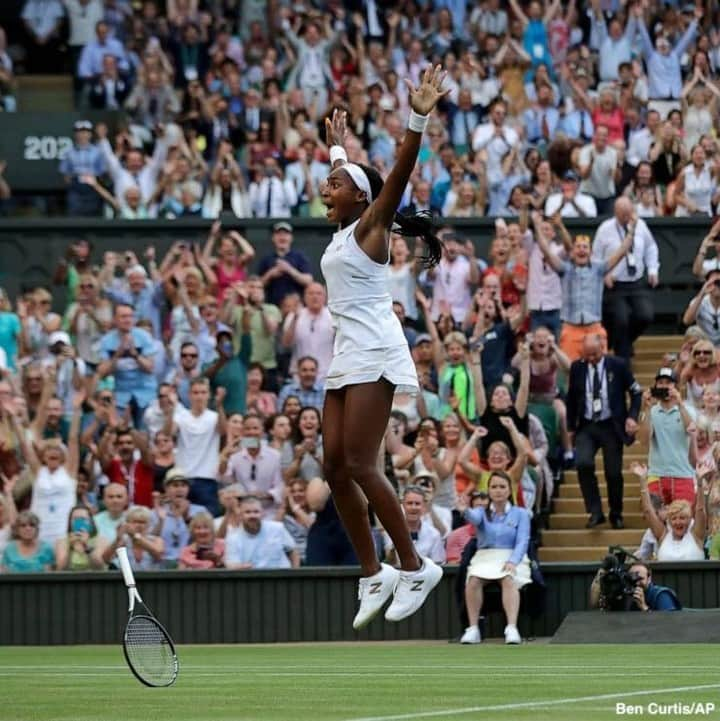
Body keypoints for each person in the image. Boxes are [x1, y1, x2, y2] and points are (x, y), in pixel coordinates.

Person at [318, 69, 447, 630]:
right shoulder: (346, 229)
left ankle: (416, 566)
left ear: (362, 199)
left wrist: (417, 118)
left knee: (359, 463)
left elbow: (393, 175)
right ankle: (374, 574)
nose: (326, 186)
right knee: (332, 466)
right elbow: (358, 180)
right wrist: (339, 147)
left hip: (375, 350)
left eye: (335, 182)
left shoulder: (373, 225)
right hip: (348, 352)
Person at [566, 335, 642, 529]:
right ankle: (595, 511)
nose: (591, 358)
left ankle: (616, 513)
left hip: (611, 424)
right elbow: (571, 399)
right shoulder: (577, 367)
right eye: (587, 355)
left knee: (613, 472)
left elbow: (636, 391)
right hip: (587, 424)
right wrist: (570, 428)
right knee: (583, 463)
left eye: (595, 354)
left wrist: (632, 416)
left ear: (603, 349)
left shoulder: (618, 365)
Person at [459, 470, 531, 645]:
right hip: (485, 556)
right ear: (489, 490)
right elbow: (474, 518)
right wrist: (465, 510)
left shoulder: (521, 513)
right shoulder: (481, 511)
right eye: (494, 487)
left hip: (512, 555)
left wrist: (513, 561)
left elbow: (523, 540)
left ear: (509, 490)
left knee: (508, 579)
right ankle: (473, 628)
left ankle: (512, 628)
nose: (498, 490)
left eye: (502, 486)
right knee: (474, 580)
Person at [591, 198, 660, 361]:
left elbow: (651, 247)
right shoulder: (605, 229)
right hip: (615, 283)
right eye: (623, 214)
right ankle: (623, 360)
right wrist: (604, 275)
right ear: (616, 213)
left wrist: (652, 269)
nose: (627, 217)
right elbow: (596, 256)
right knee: (620, 320)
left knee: (645, 315)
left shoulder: (641, 225)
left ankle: (626, 344)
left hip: (635, 280)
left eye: (629, 213)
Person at [163, 379, 226, 516]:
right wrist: (172, 409)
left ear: (208, 395)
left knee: (207, 521)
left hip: (207, 478)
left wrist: (220, 406)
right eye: (196, 393)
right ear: (190, 395)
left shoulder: (214, 417)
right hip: (183, 478)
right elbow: (168, 432)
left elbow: (223, 431)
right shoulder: (181, 416)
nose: (199, 396)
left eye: (203, 392)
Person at [637, 368, 696, 506]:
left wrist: (680, 404)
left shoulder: (688, 409)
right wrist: (645, 409)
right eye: (660, 382)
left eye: (668, 383)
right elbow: (644, 440)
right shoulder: (651, 411)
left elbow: (691, 430)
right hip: (657, 475)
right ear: (655, 386)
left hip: (683, 474)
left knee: (683, 520)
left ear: (676, 386)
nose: (664, 386)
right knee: (656, 519)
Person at [633, 461, 706, 563]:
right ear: (669, 521)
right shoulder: (663, 535)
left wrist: (700, 483)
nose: (678, 522)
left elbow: (700, 510)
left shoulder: (696, 535)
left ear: (689, 520)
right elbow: (648, 512)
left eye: (682, 518)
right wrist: (643, 482)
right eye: (674, 518)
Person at [224, 495, 300, 570]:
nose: (252, 515)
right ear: (240, 515)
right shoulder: (233, 538)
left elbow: (293, 551)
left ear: (263, 514)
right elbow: (231, 565)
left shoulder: (277, 528)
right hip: (252, 579)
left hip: (281, 577)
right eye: (247, 512)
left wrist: (296, 575)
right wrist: (242, 567)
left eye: (256, 512)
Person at [383, 486, 446, 566]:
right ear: (403, 505)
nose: (413, 507)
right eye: (409, 503)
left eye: (417, 504)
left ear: (423, 506)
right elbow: (390, 562)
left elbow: (438, 563)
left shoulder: (434, 534)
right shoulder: (391, 531)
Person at [590, 560, 681, 611]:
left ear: (649, 578)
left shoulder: (661, 595)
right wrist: (600, 575)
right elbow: (594, 604)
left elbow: (668, 624)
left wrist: (644, 607)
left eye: (640, 578)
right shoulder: (625, 595)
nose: (636, 583)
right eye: (632, 579)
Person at [54, 505, 104, 571]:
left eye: (83, 519)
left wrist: (87, 547)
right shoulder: (61, 542)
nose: (79, 522)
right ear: (70, 522)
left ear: (91, 521)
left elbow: (99, 567)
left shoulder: (100, 540)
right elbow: (61, 569)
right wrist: (70, 548)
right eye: (75, 519)